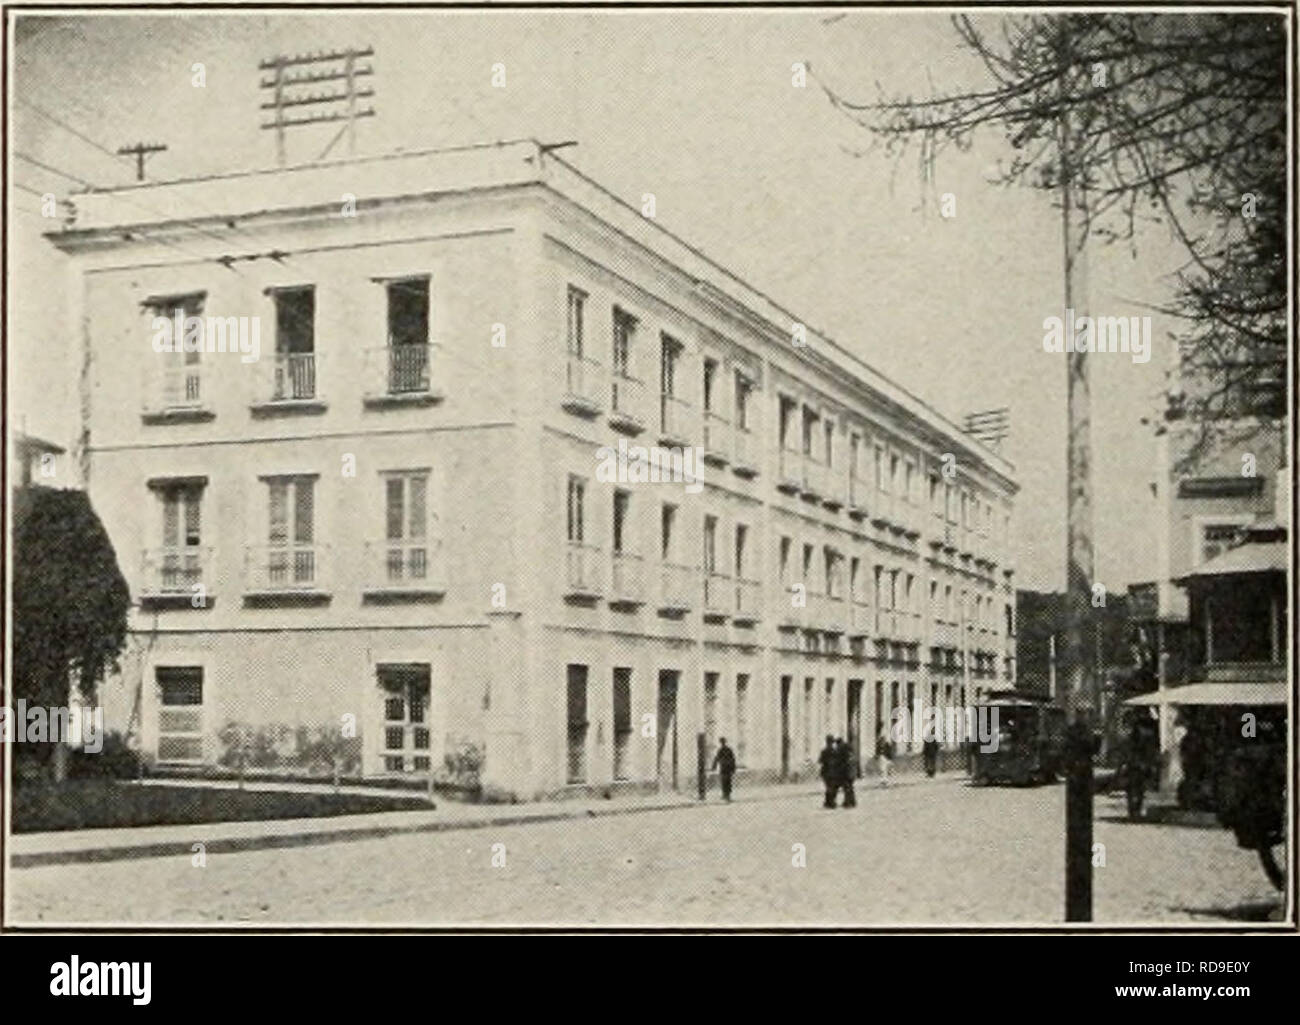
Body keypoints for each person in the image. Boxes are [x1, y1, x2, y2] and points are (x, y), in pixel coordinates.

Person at [712, 737, 736, 802]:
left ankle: (726, 795)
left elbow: (716, 758)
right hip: (728, 768)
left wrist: (713, 767)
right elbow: (733, 759)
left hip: (724, 768)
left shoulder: (721, 750)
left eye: (722, 742)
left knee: (724, 782)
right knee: (728, 782)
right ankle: (727, 795)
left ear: (721, 742)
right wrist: (733, 768)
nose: (722, 743)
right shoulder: (729, 749)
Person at [834, 737, 856, 808]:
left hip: (846, 773)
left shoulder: (842, 752)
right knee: (850, 788)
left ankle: (848, 802)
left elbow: (839, 763)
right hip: (852, 773)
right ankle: (852, 802)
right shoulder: (850, 751)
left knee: (847, 788)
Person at [818, 735, 838, 808]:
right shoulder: (835, 751)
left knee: (828, 787)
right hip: (833, 772)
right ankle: (831, 802)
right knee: (832, 787)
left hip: (825, 772)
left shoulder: (824, 751)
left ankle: (828, 802)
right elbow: (838, 761)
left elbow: (820, 761)